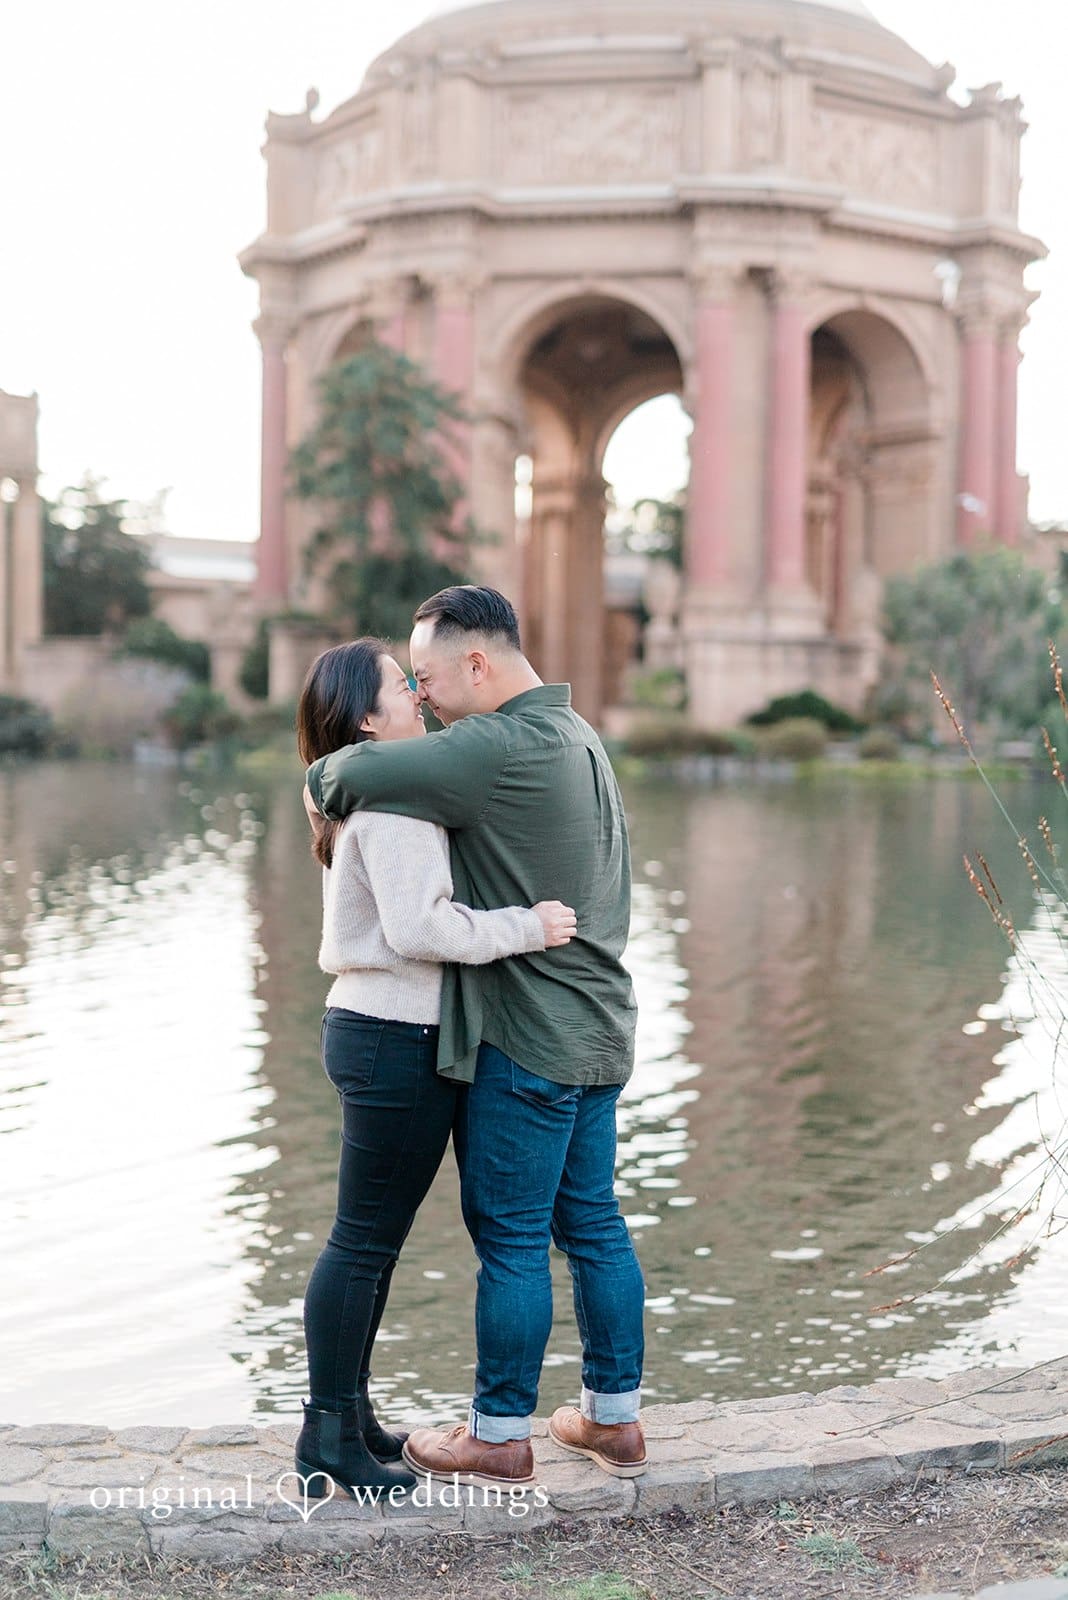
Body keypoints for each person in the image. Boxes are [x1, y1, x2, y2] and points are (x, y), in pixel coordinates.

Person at [304, 587, 648, 1487]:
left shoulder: (493, 743)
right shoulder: (579, 734)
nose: (427, 698)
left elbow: (356, 774)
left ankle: (498, 1433)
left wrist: (317, 778)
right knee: (596, 1224)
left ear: (478, 666)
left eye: (429, 677)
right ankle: (614, 1421)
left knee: (512, 1238)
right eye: (408, 684)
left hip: (531, 1032)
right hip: (605, 1026)